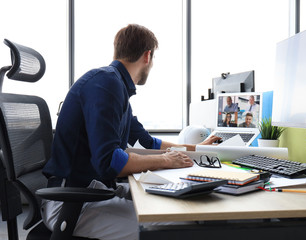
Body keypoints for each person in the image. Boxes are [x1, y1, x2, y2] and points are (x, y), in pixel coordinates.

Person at [41, 24, 220, 240]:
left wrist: (198, 149)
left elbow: (148, 143)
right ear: (147, 56)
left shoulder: (116, 87)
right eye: (153, 60)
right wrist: (164, 161)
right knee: (180, 225)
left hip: (92, 191)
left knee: (182, 203)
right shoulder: (106, 83)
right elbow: (110, 161)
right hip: (71, 203)